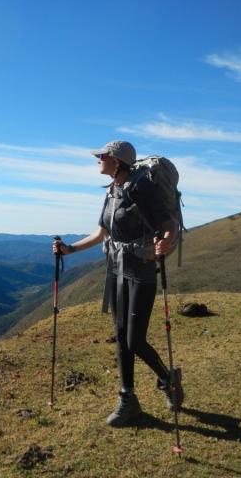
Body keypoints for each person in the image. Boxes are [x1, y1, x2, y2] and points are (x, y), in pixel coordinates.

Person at [53, 140, 184, 426]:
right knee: (121, 337)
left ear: (117, 160)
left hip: (142, 271)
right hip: (117, 270)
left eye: (102, 155)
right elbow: (101, 233)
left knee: (135, 340)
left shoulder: (141, 187)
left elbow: (169, 223)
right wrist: (70, 249)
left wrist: (166, 241)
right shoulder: (112, 191)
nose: (98, 159)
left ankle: (168, 379)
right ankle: (127, 399)